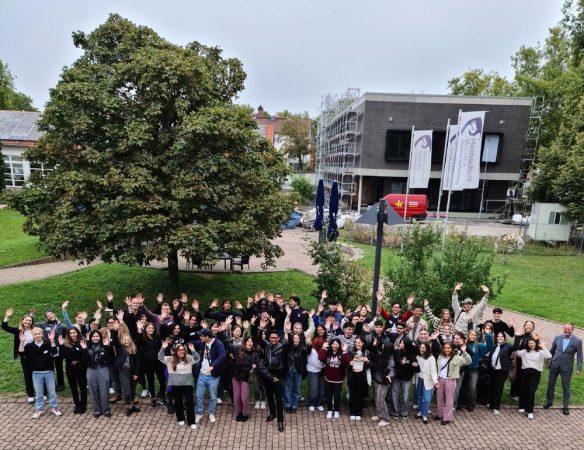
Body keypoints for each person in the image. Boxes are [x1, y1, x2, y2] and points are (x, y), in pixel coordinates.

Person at [19, 327, 62, 418]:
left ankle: (54, 408)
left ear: (42, 334)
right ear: (33, 335)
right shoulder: (29, 346)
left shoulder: (47, 344)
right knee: (39, 393)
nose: (37, 335)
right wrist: (22, 342)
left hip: (49, 372)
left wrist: (52, 340)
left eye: (39, 334)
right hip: (36, 373)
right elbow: (21, 353)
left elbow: (55, 352)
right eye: (35, 334)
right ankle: (39, 409)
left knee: (52, 392)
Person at [158, 339, 199, 429]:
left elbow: (197, 358)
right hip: (176, 385)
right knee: (178, 402)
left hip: (187, 385)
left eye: (183, 350)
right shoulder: (170, 359)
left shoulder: (189, 358)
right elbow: (160, 357)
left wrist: (193, 350)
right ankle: (180, 418)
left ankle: (191, 421)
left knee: (189, 403)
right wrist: (163, 348)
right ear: (176, 351)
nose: (182, 351)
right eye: (179, 350)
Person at [544, 323, 583, 415]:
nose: (566, 330)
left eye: (568, 329)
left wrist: (578, 368)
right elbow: (552, 351)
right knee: (551, 384)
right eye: (565, 329)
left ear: (572, 330)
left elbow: (580, 356)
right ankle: (549, 402)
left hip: (567, 367)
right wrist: (547, 361)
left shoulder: (577, 341)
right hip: (555, 364)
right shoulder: (557, 337)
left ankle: (565, 406)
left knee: (566, 386)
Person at [513, 331, 551, 419]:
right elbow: (515, 351)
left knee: (531, 392)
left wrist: (543, 346)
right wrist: (517, 338)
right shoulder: (524, 352)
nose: (531, 344)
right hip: (525, 373)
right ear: (528, 345)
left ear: (535, 343)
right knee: (523, 390)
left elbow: (549, 356)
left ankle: (530, 411)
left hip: (535, 374)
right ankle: (522, 406)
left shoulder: (540, 352)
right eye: (529, 343)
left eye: (533, 343)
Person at [231, 336, 270, 422]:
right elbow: (228, 345)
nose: (249, 343)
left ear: (253, 344)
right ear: (245, 342)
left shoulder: (254, 355)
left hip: (245, 379)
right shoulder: (238, 349)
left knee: (244, 398)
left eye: (251, 342)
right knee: (237, 397)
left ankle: (245, 413)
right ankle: (239, 412)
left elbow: (261, 367)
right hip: (236, 377)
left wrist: (270, 376)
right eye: (248, 341)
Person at [2, 307, 36, 401]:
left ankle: (42, 393)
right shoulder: (18, 330)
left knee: (38, 373)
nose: (28, 322)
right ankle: (30, 395)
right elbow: (5, 327)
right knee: (28, 375)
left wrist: (31, 315)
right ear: (22, 321)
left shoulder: (34, 330)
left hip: (35, 354)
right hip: (24, 355)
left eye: (30, 321)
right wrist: (7, 317)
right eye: (26, 320)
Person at [194, 328, 226, 425]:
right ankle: (199, 413)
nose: (200, 337)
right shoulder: (202, 343)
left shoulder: (218, 344)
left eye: (201, 336)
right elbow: (192, 343)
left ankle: (211, 413)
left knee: (213, 396)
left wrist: (213, 366)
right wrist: (186, 345)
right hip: (202, 374)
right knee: (198, 395)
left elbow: (222, 356)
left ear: (207, 337)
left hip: (213, 376)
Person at [435, 342, 470, 425]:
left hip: (450, 380)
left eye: (448, 348)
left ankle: (447, 418)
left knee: (449, 399)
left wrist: (464, 351)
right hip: (440, 379)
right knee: (439, 397)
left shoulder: (457, 358)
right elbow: (438, 368)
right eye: (445, 348)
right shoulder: (440, 356)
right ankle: (440, 414)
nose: (446, 349)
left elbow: (468, 361)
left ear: (452, 349)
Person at [459, 328, 493, 412]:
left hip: (474, 370)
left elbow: (489, 347)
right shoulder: (464, 344)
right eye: (471, 334)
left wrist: (488, 334)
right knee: (462, 387)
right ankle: (460, 403)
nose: (473, 336)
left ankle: (470, 405)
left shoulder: (479, 345)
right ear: (468, 335)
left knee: (472, 387)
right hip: (463, 369)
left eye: (475, 335)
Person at [258, 330, 286, 432]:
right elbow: (259, 339)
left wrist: (287, 332)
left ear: (279, 338)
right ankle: (272, 413)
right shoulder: (266, 345)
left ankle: (280, 421)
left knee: (278, 399)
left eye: (275, 338)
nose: (273, 339)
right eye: (271, 338)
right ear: (269, 338)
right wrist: (260, 329)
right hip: (268, 374)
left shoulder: (283, 346)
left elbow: (290, 343)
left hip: (278, 375)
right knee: (269, 396)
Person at [135, 321, 166, 408]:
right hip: (148, 364)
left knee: (163, 381)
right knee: (150, 381)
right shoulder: (142, 337)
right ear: (145, 329)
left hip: (158, 363)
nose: (151, 329)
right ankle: (153, 399)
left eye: (152, 328)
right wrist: (139, 330)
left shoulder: (157, 337)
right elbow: (137, 344)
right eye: (149, 328)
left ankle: (162, 397)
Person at [318, 338, 350, 419]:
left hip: (338, 379)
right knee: (328, 395)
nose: (334, 345)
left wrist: (345, 351)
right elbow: (321, 357)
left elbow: (347, 362)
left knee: (336, 396)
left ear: (339, 345)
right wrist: (323, 348)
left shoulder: (342, 353)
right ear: (331, 344)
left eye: (336, 344)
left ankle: (336, 410)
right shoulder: (328, 352)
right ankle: (329, 410)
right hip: (328, 378)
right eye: (333, 344)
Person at [58, 327, 88, 414]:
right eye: (70, 333)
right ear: (68, 334)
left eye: (74, 332)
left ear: (77, 333)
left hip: (81, 367)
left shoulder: (82, 342)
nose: (72, 335)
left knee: (82, 387)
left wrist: (84, 349)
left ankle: (83, 405)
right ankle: (77, 405)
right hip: (70, 368)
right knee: (73, 387)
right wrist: (61, 345)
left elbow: (85, 358)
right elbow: (62, 356)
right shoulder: (66, 343)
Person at [85, 329, 113, 418]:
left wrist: (106, 347)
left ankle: (106, 410)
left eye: (97, 336)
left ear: (100, 337)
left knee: (104, 390)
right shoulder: (87, 346)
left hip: (103, 368)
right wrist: (84, 349)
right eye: (93, 336)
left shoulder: (104, 345)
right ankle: (97, 410)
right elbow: (84, 359)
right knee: (93, 390)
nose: (95, 338)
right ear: (90, 337)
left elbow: (110, 357)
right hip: (91, 369)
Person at [37, 310, 67, 391]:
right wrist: (31, 315)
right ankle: (52, 385)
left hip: (58, 348)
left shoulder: (62, 325)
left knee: (59, 367)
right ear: (46, 318)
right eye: (48, 315)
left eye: (51, 314)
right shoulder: (42, 324)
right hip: (48, 348)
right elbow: (32, 324)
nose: (50, 316)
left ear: (54, 314)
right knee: (50, 367)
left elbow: (65, 335)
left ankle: (61, 385)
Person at [391, 336, 419, 419]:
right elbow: (395, 363)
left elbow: (417, 370)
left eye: (402, 343)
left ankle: (404, 412)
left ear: (406, 344)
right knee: (394, 394)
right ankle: (394, 412)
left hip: (406, 379)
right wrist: (400, 361)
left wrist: (416, 366)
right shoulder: (397, 352)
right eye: (400, 342)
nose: (400, 344)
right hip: (396, 378)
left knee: (405, 396)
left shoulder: (412, 356)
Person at [369, 338, 394, 427]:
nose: (382, 346)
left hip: (384, 381)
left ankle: (386, 418)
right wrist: (374, 346)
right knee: (376, 397)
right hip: (378, 379)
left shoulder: (390, 359)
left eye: (384, 345)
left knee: (381, 399)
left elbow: (392, 370)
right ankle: (379, 414)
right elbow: (375, 356)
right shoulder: (383, 354)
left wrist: (389, 376)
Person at [487, 332, 513, 415]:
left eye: (502, 336)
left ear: (504, 338)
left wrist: (517, 336)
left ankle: (496, 407)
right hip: (493, 370)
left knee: (498, 389)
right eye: (498, 336)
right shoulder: (494, 346)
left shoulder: (508, 346)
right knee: (492, 387)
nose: (500, 338)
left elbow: (515, 348)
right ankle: (492, 404)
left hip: (502, 371)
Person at [347, 336, 369, 420]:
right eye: (356, 342)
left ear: (362, 343)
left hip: (361, 375)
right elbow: (347, 366)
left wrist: (367, 360)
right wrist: (350, 364)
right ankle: (352, 412)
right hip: (353, 375)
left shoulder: (366, 352)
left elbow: (370, 365)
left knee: (360, 394)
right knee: (352, 393)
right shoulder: (351, 352)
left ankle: (359, 412)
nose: (357, 344)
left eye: (359, 342)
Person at [283, 333, 306, 413]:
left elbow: (304, 361)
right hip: (289, 370)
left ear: (300, 340)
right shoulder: (287, 347)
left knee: (297, 389)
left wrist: (304, 371)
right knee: (288, 388)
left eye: (298, 338)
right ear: (292, 339)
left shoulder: (302, 349)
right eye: (294, 338)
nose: (296, 340)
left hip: (298, 371)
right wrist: (288, 332)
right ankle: (287, 404)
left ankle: (294, 405)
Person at [416, 342, 438, 424]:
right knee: (420, 396)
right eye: (421, 347)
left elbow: (433, 371)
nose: (421, 349)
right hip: (420, 379)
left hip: (428, 380)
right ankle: (420, 411)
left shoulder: (431, 358)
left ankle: (424, 415)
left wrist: (435, 381)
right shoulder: (418, 356)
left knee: (426, 398)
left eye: (423, 348)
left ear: (427, 349)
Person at [306, 336, 326, 412]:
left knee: (321, 389)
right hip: (313, 372)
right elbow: (316, 363)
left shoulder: (322, 350)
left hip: (321, 372)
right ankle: (311, 404)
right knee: (313, 389)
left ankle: (319, 404)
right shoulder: (312, 351)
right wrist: (324, 365)